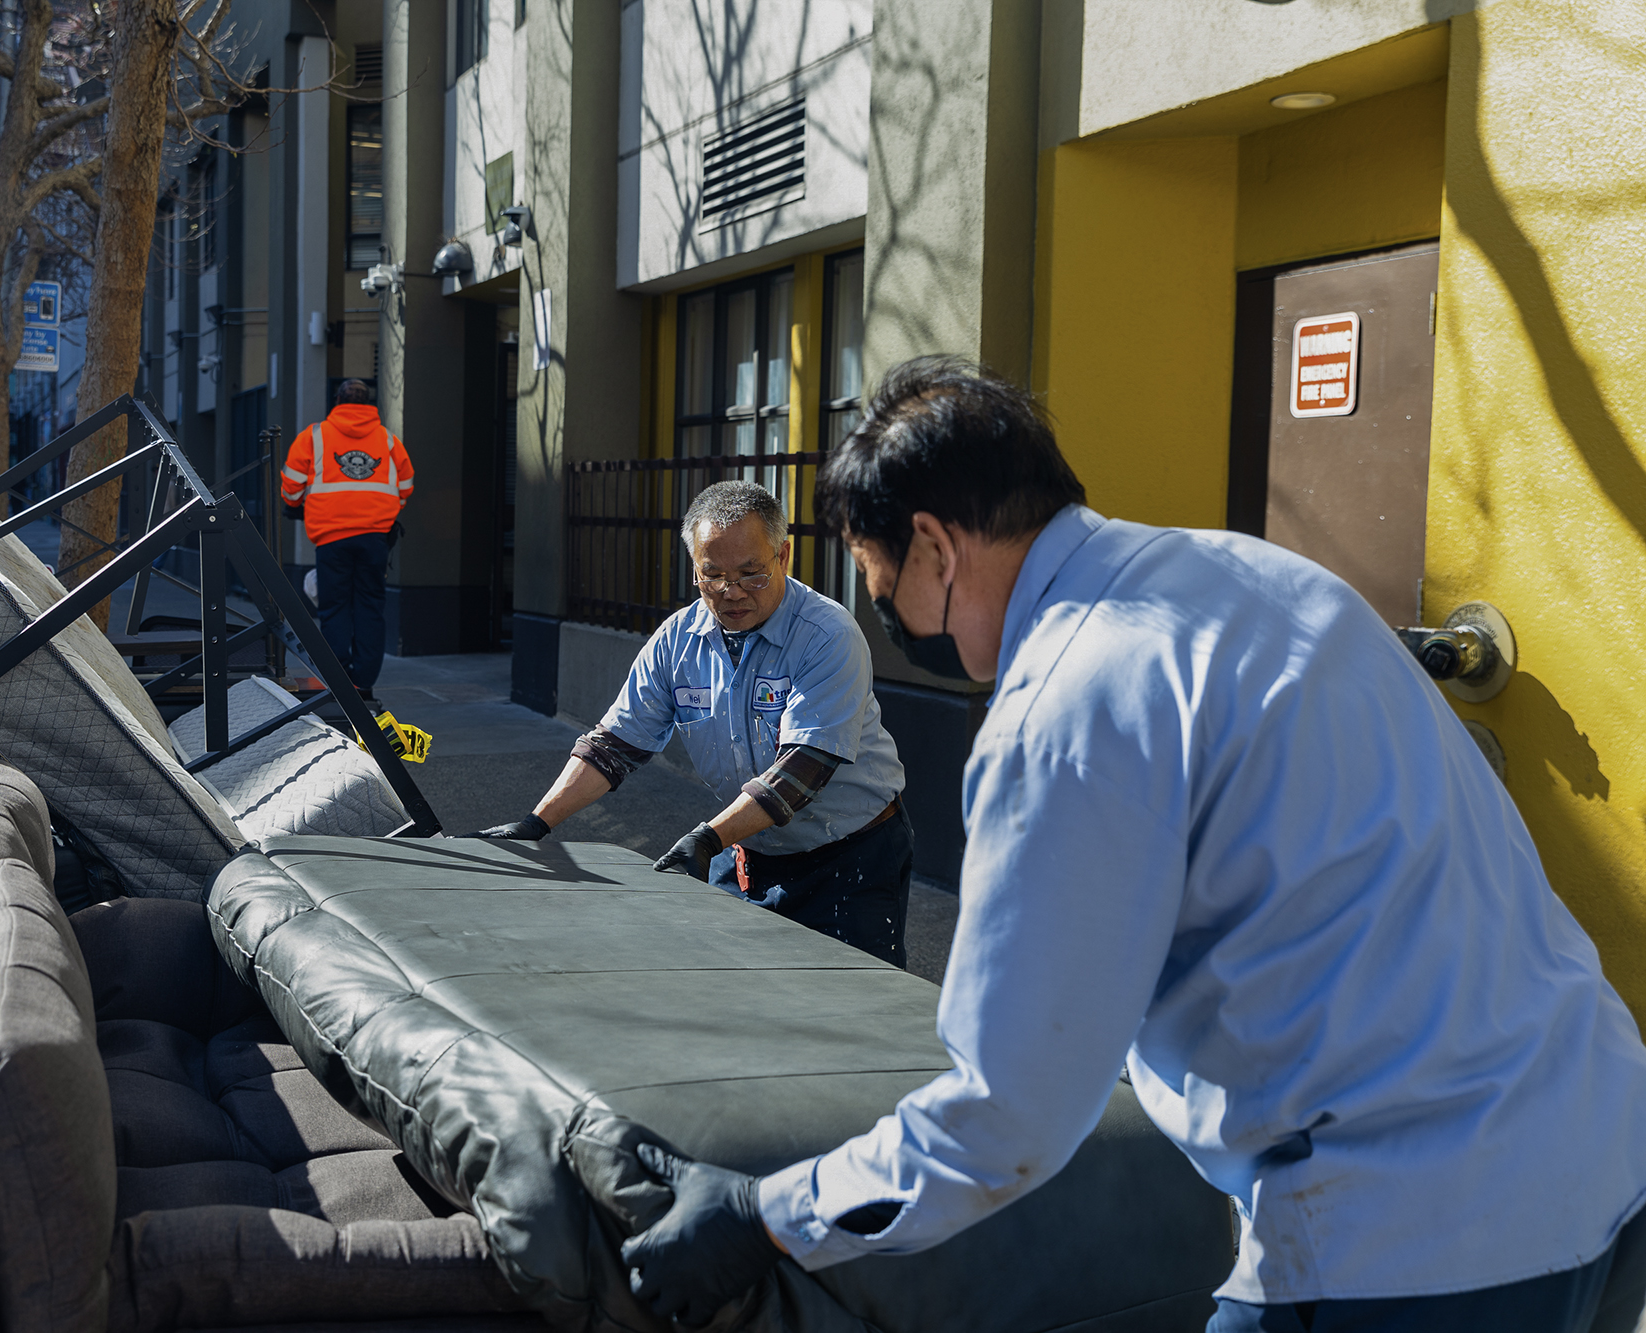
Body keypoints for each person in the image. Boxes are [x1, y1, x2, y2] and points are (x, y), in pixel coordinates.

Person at [619, 357, 1646, 1332]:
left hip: (1412, 1234)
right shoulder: (1263, 580)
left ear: (934, 546)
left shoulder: (1068, 704)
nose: (883, 613)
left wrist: (766, 1214)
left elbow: (1006, 1112)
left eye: (879, 583)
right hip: (1600, 1134)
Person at [470, 480, 912, 965]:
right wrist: (536, 824)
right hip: (746, 846)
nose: (731, 592)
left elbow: (802, 771)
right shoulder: (678, 640)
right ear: (694, 568)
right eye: (713, 574)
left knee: (854, 1007)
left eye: (751, 573)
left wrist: (708, 839)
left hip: (850, 855)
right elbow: (614, 746)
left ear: (783, 555)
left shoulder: (828, 636)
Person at [280, 379, 413, 701]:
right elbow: (405, 485)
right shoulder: (388, 440)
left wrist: (297, 506)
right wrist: (381, 512)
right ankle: (364, 683)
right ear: (368, 404)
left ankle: (338, 680)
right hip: (374, 538)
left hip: (332, 538)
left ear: (337, 400)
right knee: (370, 608)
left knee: (334, 607)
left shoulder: (314, 436)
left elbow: (291, 486)